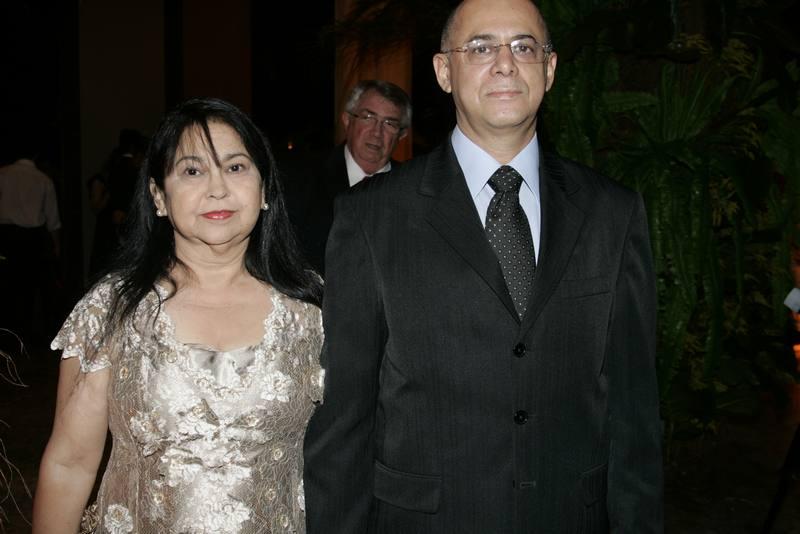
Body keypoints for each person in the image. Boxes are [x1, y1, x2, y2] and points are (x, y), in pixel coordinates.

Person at [303, 0, 663, 532]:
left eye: (524, 47)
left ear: (550, 69)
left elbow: (635, 414)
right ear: (444, 71)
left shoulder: (612, 213)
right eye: (480, 48)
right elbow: (344, 422)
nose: (505, 63)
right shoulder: (371, 217)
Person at [33, 98, 324, 533]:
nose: (218, 188)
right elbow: (70, 463)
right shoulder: (111, 311)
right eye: (192, 171)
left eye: (236, 167)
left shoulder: (313, 311)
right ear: (159, 196)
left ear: (264, 189)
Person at [292, 79, 411, 274]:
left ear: (402, 134)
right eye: (368, 117)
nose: (377, 132)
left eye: (389, 123)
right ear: (347, 120)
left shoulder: (414, 188)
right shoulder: (303, 180)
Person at [0, 147, 62, 346]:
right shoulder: (43, 179)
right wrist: (56, 245)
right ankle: (33, 335)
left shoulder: (3, 174)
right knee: (34, 286)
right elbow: (53, 219)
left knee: (9, 284)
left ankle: (11, 333)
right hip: (33, 239)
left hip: (7, 238)